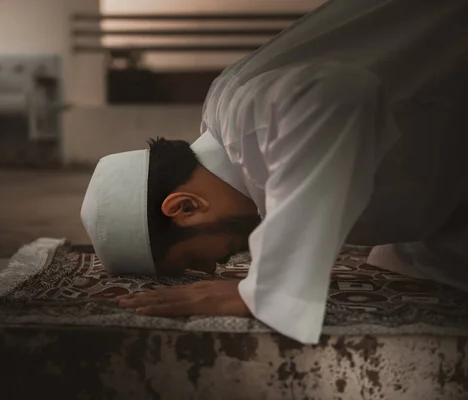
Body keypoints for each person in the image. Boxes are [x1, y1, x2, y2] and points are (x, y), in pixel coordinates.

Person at [80, 0, 468, 344]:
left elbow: (340, 94)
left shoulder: (244, 111)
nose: (213, 269)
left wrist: (267, 290)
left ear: (184, 207)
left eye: (191, 260)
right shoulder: (248, 144)